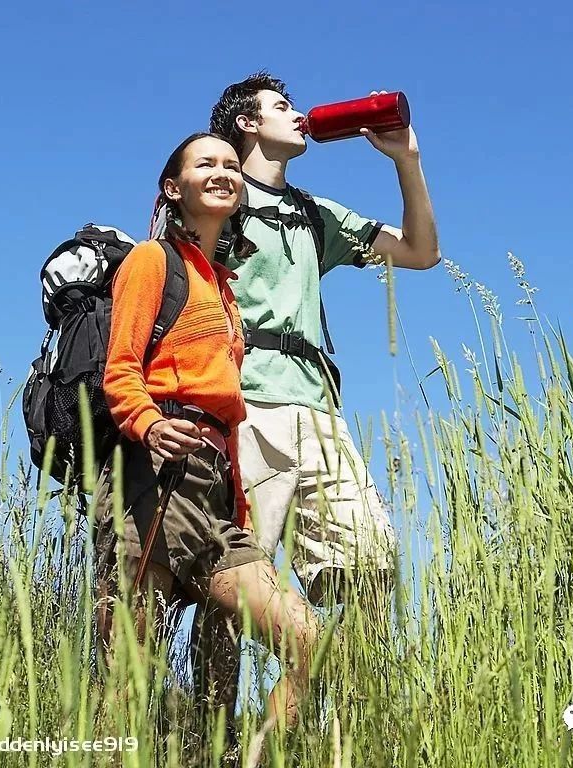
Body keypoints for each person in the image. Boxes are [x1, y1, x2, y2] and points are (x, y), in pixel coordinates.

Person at [189, 72, 441, 719]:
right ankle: (208, 736)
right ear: (246, 123)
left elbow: (420, 251)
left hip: (321, 416)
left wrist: (406, 159)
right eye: (281, 106)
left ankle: (336, 724)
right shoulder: (218, 197)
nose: (298, 115)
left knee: (371, 560)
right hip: (245, 410)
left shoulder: (312, 214)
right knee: (240, 580)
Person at [95, 132, 319, 730]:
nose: (222, 171)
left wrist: (237, 499)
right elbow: (119, 368)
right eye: (205, 164)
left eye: (229, 164)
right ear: (174, 188)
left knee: (308, 641)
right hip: (156, 478)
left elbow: (228, 410)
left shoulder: (223, 290)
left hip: (215, 490)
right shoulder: (152, 261)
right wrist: (147, 425)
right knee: (129, 675)